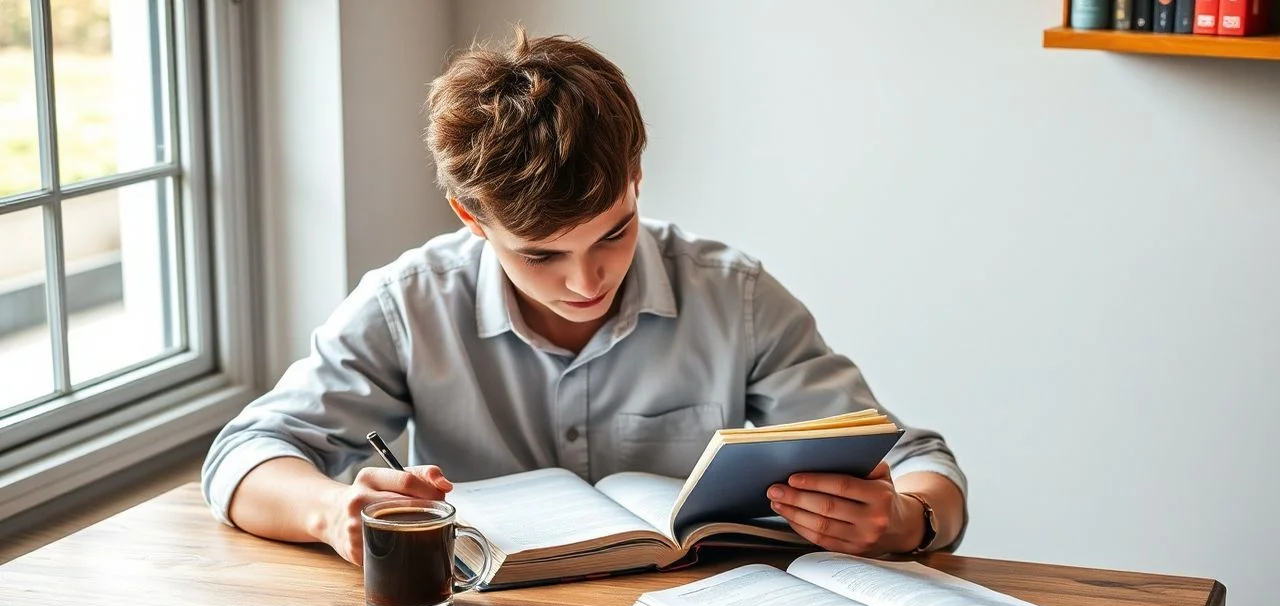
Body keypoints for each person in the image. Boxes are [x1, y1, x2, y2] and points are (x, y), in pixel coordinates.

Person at [201, 27, 968, 566]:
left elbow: (915, 461)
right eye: (540, 254)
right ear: (472, 219)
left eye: (612, 232)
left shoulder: (733, 296)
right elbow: (242, 457)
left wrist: (906, 518)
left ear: (636, 179)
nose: (585, 282)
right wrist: (335, 512)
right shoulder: (410, 304)